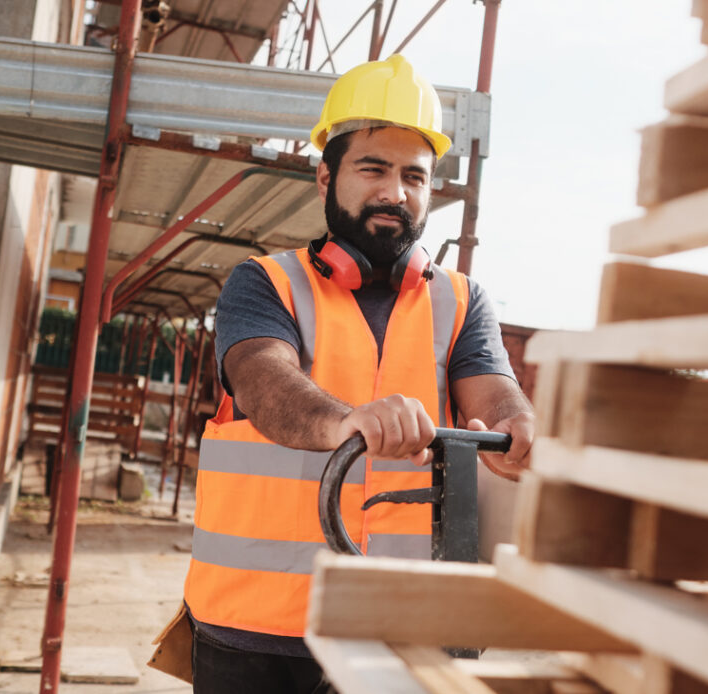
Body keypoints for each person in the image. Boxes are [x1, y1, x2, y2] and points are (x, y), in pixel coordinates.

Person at [181, 54, 535, 694]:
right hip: (259, 628)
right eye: (373, 168)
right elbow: (263, 383)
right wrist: (346, 422)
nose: (394, 192)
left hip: (404, 628)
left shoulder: (461, 301)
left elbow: (493, 390)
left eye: (414, 176)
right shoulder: (264, 284)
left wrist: (516, 427)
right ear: (324, 178)